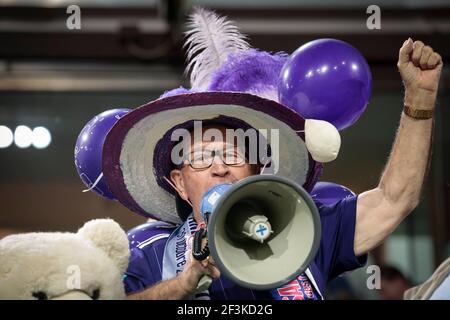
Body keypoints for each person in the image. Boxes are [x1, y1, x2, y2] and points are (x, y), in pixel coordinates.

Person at [100, 8, 443, 300]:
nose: (219, 168)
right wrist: (182, 284)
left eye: (234, 154)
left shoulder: (308, 227)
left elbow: (394, 199)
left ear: (257, 167)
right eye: (202, 158)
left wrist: (420, 100)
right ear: (179, 184)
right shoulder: (150, 255)